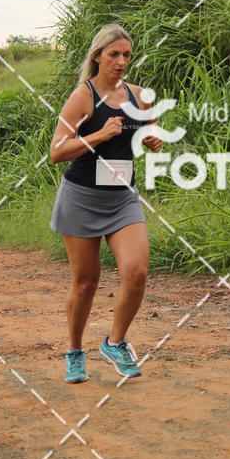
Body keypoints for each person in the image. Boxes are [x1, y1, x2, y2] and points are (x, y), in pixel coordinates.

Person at [49, 25, 163, 384]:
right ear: (97, 56)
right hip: (81, 198)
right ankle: (74, 350)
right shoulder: (83, 98)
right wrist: (99, 134)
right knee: (86, 281)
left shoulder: (140, 95)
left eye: (127, 55)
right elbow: (56, 151)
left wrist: (152, 139)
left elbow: (150, 124)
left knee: (137, 271)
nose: (121, 61)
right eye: (113, 54)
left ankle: (115, 342)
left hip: (122, 198)